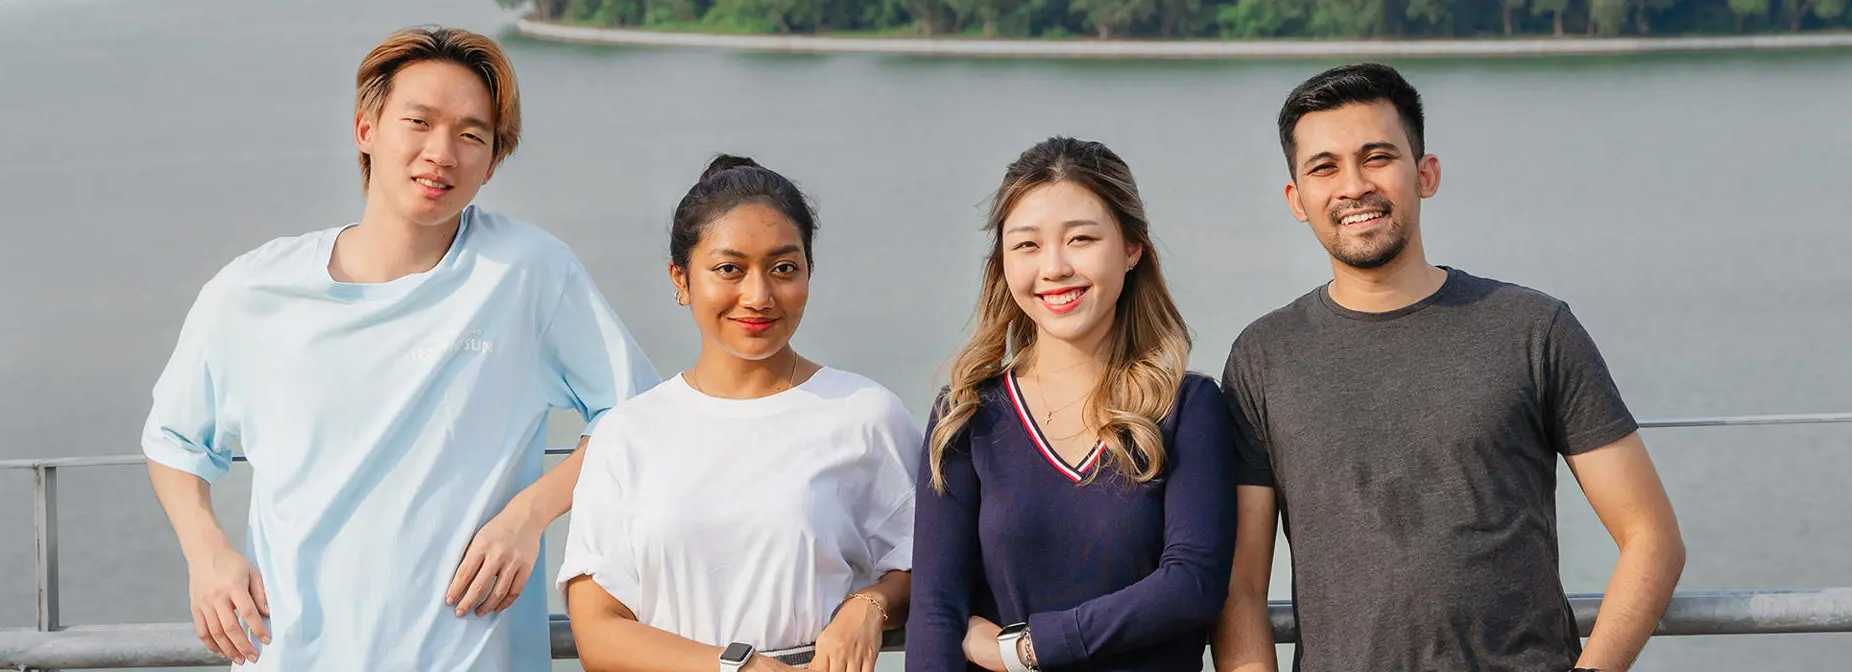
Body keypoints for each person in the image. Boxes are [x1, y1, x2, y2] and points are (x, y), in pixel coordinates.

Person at [139, 27, 660, 670]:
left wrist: (529, 517)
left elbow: (641, 417)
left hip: (473, 653)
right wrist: (207, 553)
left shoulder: (528, 274)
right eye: (418, 122)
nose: (441, 153)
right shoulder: (253, 290)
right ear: (366, 130)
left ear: (492, 161)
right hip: (296, 651)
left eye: (472, 135)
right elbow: (174, 439)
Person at [1211, 63, 1686, 672]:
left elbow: (1652, 538)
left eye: (1377, 156)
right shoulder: (1262, 357)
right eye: (1324, 167)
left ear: (1425, 173)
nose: (1353, 186)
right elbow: (1242, 589)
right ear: (1296, 199)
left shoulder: (1534, 329)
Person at [557, 155, 921, 672]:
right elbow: (597, 632)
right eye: (730, 269)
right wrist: (739, 667)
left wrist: (869, 607)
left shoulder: (865, 415)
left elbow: (928, 560)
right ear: (681, 280)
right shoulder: (628, 433)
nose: (758, 295)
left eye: (784, 269)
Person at [905, 136, 1238, 672]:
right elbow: (936, 612)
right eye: (1027, 245)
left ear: (1133, 249)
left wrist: (1026, 648)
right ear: (1003, 263)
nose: (1054, 268)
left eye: (1081, 239)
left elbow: (1191, 584)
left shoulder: (1187, 407)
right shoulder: (965, 412)